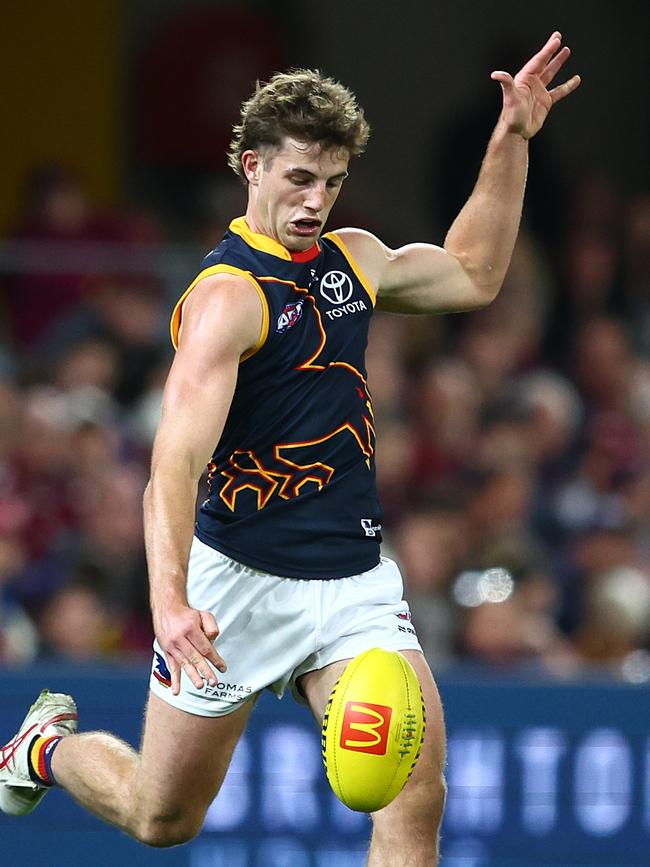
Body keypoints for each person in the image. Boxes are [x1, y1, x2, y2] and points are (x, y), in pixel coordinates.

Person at [0, 32, 579, 865]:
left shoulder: (352, 260)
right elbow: (173, 464)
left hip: (354, 583)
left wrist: (511, 140)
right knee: (162, 817)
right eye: (299, 178)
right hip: (236, 587)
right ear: (252, 168)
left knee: (416, 794)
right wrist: (168, 602)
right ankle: (45, 748)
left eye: (332, 182)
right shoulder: (228, 299)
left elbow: (473, 271)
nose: (315, 202)